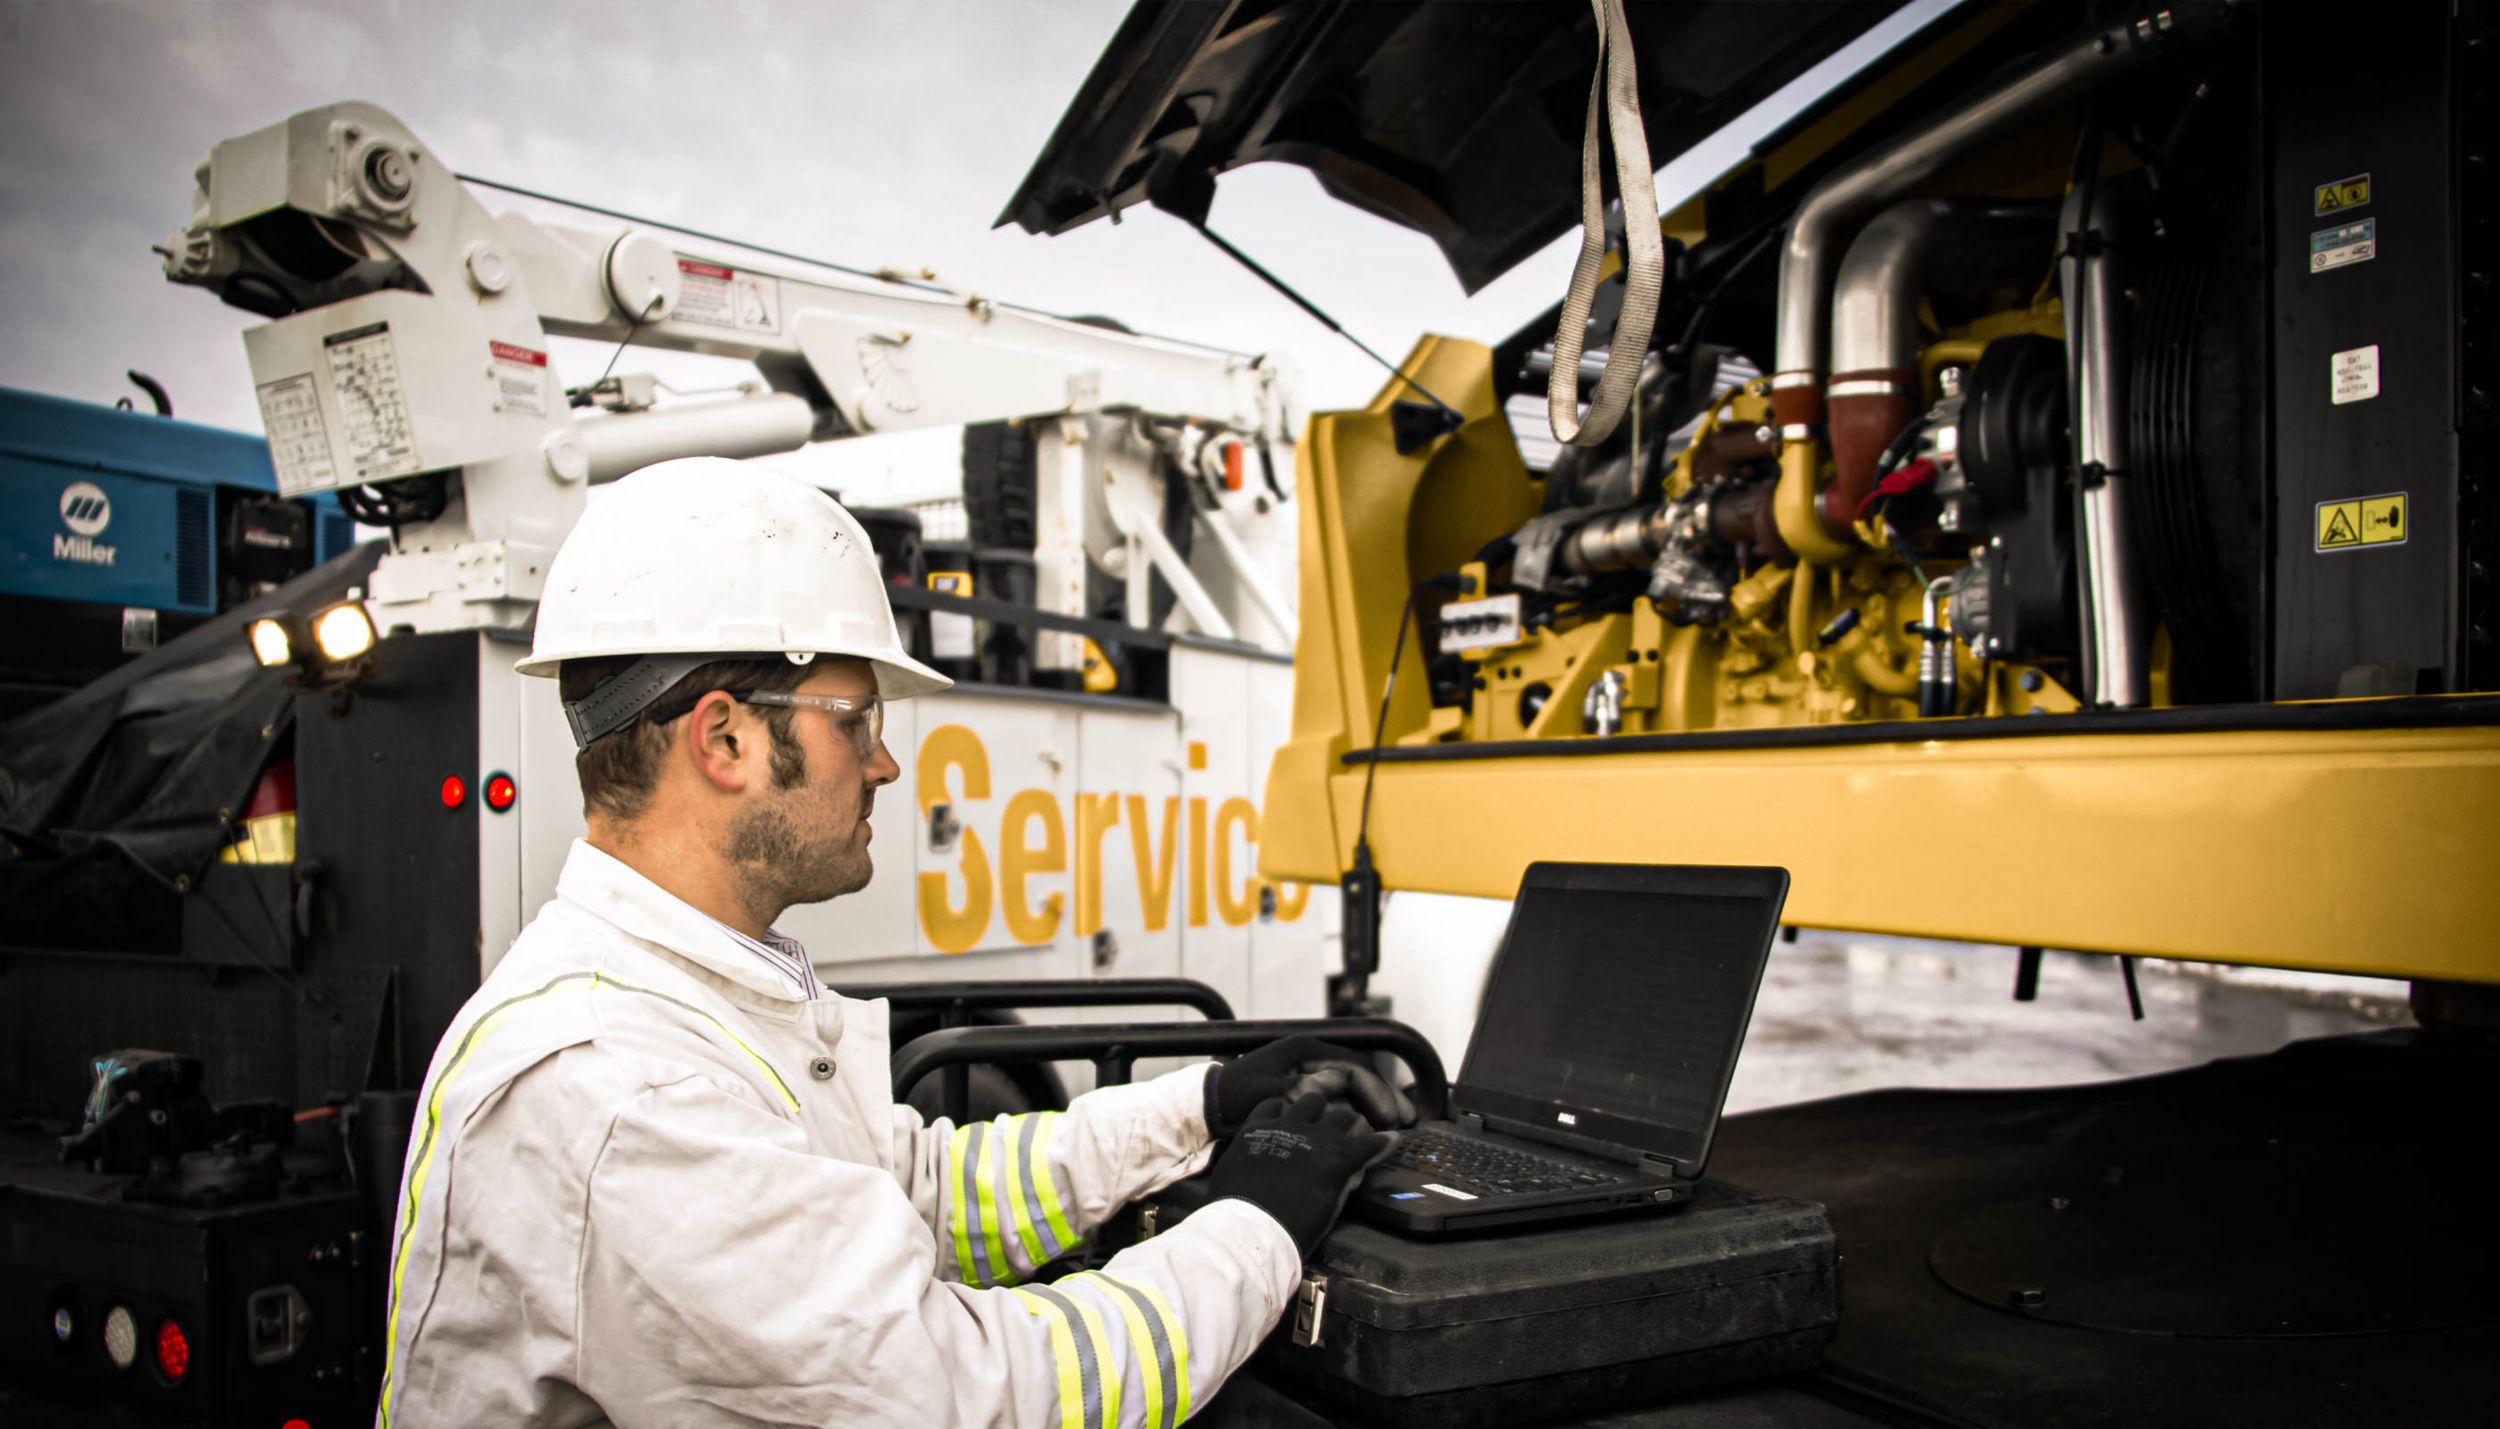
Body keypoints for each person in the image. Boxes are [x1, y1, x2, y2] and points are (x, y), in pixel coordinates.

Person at [377, 458, 1410, 1428]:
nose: (883, 765)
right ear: (726, 739)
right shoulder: (624, 1089)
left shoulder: (685, 1004)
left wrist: (1201, 1104)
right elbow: (968, 1395)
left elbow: (920, 1192)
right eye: (855, 720)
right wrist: (1256, 1225)